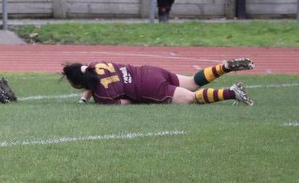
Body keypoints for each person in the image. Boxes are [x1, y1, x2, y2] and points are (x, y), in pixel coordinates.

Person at [61, 58, 254, 105]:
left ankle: (233, 92)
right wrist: (84, 98)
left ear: (79, 83)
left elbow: (125, 103)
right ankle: (225, 67)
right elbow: (89, 76)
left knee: (190, 98)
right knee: (194, 82)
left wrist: (136, 99)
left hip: (147, 87)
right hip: (150, 71)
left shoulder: (102, 95)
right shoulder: (95, 64)